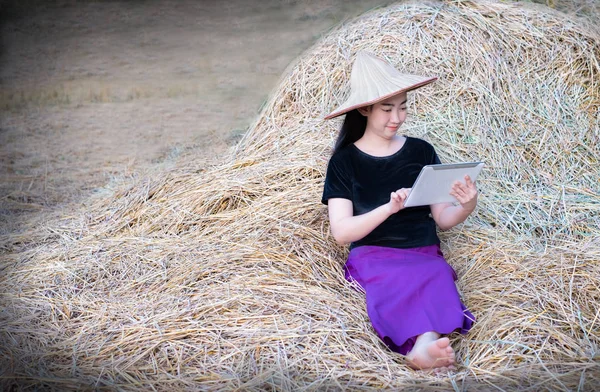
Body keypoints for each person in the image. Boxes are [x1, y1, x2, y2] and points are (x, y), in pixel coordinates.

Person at [321, 51, 477, 372]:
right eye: (387, 109)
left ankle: (423, 346)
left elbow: (443, 220)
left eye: (403, 107)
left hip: (423, 252)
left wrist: (467, 203)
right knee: (397, 281)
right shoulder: (344, 162)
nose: (397, 117)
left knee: (435, 273)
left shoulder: (421, 150)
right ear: (364, 109)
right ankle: (423, 345)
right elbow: (341, 232)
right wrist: (388, 209)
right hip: (374, 256)